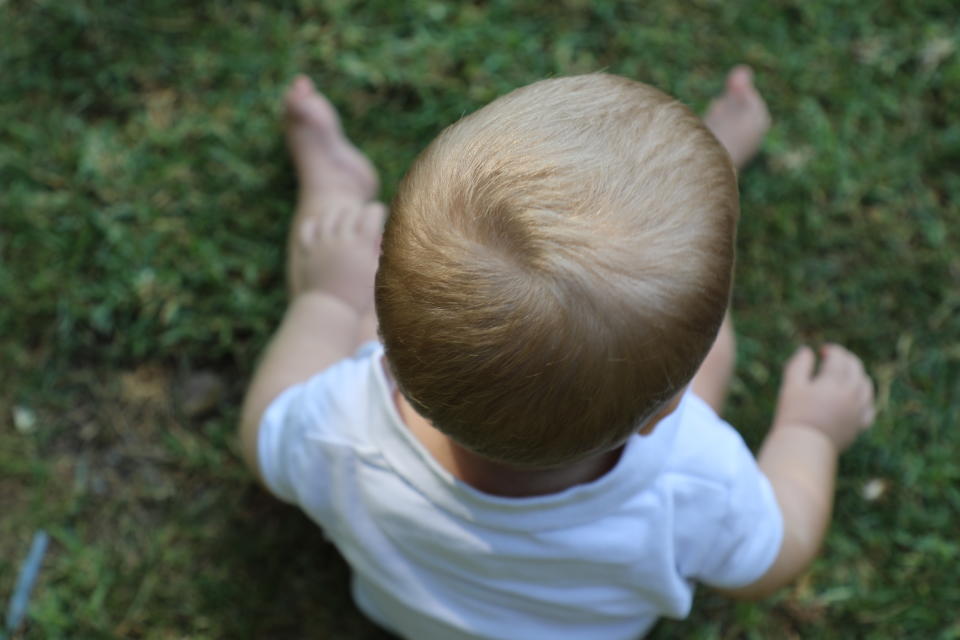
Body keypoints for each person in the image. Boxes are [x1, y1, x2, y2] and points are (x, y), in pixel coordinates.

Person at [239, 66, 875, 639]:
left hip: (403, 611)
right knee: (683, 345)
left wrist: (324, 299)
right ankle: (715, 172)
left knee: (334, 259)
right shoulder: (691, 480)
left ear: (387, 338)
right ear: (664, 413)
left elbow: (264, 433)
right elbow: (776, 552)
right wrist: (808, 431)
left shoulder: (342, 426)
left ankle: (334, 194)